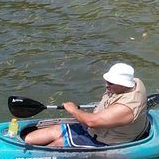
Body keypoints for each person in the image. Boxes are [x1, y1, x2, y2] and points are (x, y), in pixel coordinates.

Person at [21, 62, 149, 147]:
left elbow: (92, 122)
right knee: (44, 134)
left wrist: (73, 110)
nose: (106, 85)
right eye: (107, 81)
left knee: (58, 144)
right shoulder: (135, 82)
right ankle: (21, 142)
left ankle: (27, 158)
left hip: (106, 140)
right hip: (95, 129)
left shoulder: (125, 109)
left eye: (111, 83)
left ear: (124, 84)